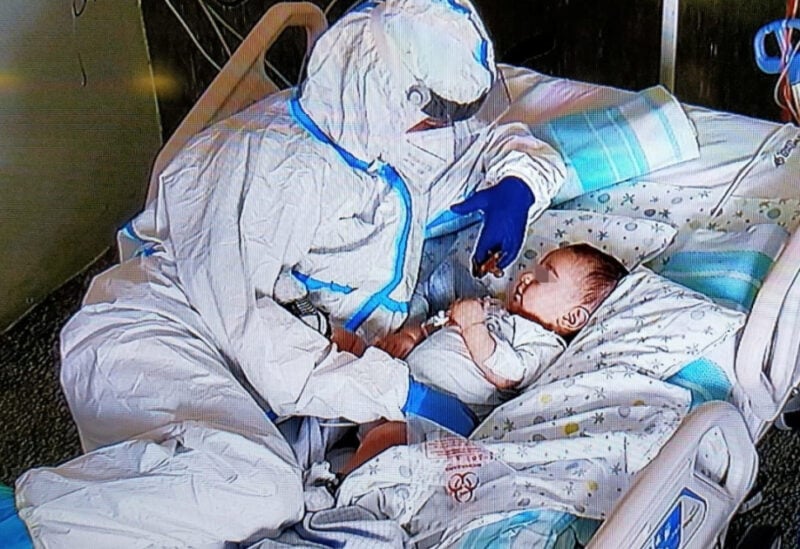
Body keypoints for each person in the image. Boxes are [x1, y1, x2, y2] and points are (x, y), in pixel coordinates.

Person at [13, 0, 566, 546]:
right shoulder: (265, 167)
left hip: (269, 367)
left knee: (214, 511)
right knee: (258, 491)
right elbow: (252, 330)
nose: (440, 128)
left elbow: (504, 141)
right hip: (164, 333)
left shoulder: (395, 137)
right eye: (438, 112)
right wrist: (399, 392)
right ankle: (20, 525)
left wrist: (517, 189)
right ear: (389, 87)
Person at [341, 244, 628, 474]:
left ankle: (338, 484)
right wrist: (412, 335)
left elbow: (508, 373)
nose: (529, 275)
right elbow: (440, 321)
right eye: (534, 267)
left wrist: (473, 326)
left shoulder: (544, 344)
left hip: (435, 412)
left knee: (385, 437)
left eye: (545, 275)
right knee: (347, 346)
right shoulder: (494, 307)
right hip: (396, 382)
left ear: (571, 316)